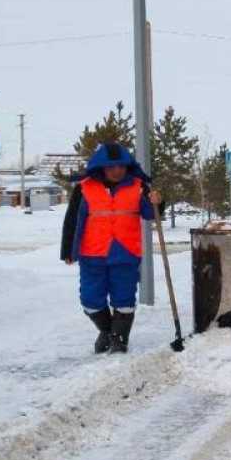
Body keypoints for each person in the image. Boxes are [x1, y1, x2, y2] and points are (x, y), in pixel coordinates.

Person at [60, 142, 161, 354]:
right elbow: (72, 220)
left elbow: (151, 213)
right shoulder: (84, 188)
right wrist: (68, 250)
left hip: (125, 254)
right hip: (92, 254)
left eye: (121, 166)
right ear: (101, 167)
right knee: (90, 300)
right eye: (111, 166)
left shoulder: (138, 186)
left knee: (124, 300)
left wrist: (157, 202)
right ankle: (107, 331)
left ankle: (119, 339)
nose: (117, 171)